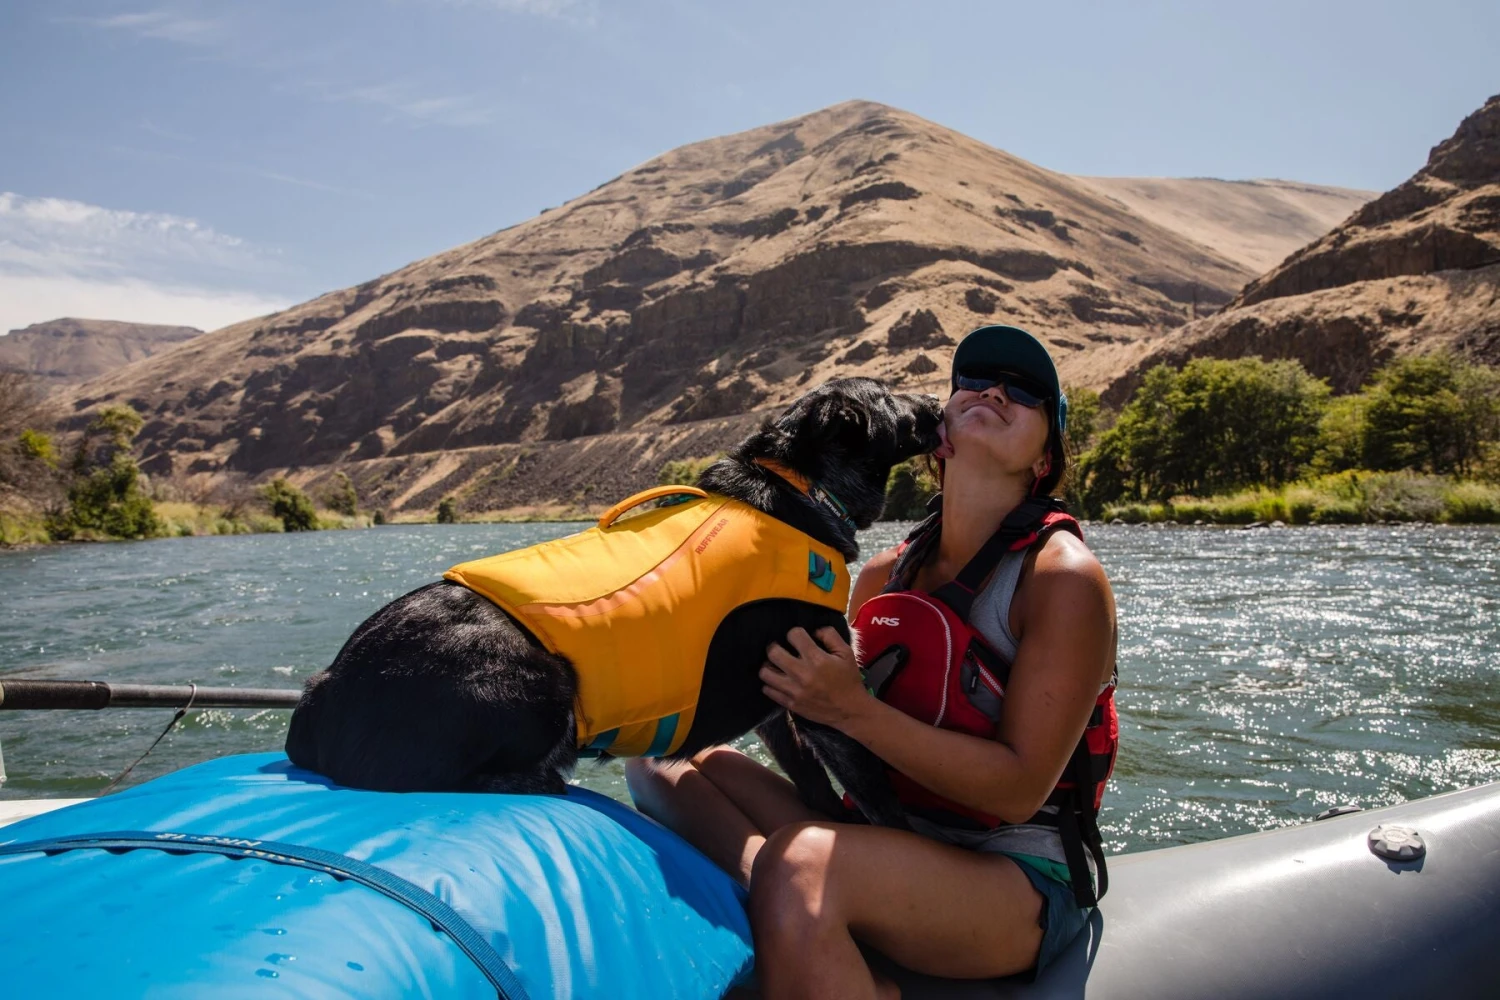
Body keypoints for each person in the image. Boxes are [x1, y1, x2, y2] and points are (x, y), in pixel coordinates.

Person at [626, 325, 1118, 998]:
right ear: (937, 438)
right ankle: (802, 916)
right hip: (886, 834)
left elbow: (1017, 790)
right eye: (972, 382)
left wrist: (852, 710)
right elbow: (816, 717)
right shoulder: (881, 573)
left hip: (1013, 875)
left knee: (801, 863)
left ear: (1044, 464)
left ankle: (799, 902)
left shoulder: (1063, 578)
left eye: (1025, 393)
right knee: (661, 758)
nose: (994, 391)